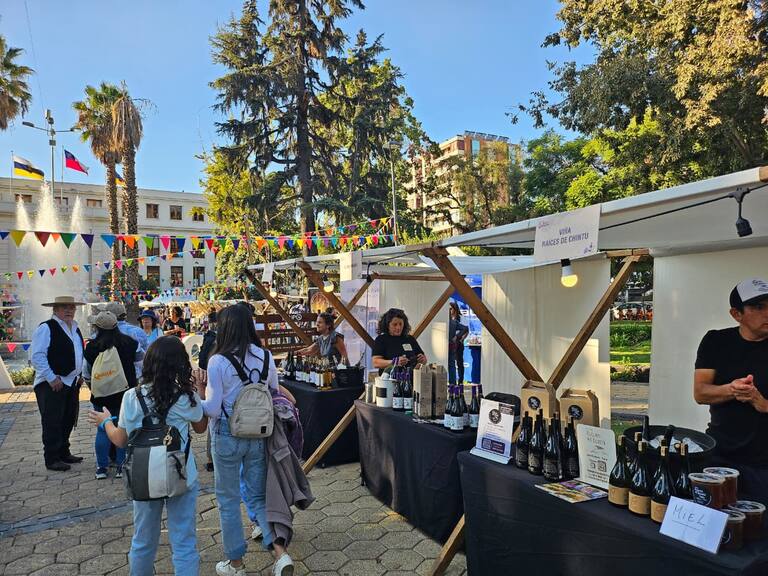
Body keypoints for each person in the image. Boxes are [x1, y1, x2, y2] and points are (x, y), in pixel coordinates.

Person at [88, 336, 208, 575]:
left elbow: (120, 440)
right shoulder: (186, 396)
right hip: (181, 474)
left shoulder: (132, 396)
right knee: (184, 541)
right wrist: (201, 390)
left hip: (143, 475)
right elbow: (201, 427)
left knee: (143, 539)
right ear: (181, 364)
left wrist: (106, 422)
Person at [199, 304, 294, 576]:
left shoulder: (217, 361)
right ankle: (280, 554)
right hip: (259, 434)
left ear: (225, 328)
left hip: (226, 435)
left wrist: (198, 392)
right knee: (259, 497)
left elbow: (212, 409)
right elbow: (273, 390)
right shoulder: (265, 356)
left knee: (228, 501)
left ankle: (236, 564)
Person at [694, 278, 768, 500]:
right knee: (713, 513)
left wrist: (762, 403)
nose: (767, 313)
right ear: (736, 314)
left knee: (758, 519)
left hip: (763, 464)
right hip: (719, 454)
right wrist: (732, 389)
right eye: (759, 307)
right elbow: (700, 392)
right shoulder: (716, 341)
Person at [83, 310, 142, 480]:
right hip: (126, 393)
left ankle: (101, 468)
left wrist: (93, 387)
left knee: (102, 429)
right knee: (124, 427)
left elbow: (86, 372)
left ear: (97, 327)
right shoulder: (130, 343)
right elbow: (141, 364)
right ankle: (121, 465)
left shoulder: (91, 347)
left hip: (101, 396)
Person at [30, 295, 86, 472]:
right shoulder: (46, 328)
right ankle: (52, 458)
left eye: (71, 307)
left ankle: (63, 451)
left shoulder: (75, 328)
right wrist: (51, 378)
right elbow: (37, 356)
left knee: (68, 418)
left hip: (71, 382)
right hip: (51, 382)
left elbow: (78, 353)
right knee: (52, 421)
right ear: (55, 310)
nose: (69, 310)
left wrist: (80, 374)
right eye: (64, 307)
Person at [372, 308, 427, 373]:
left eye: (400, 324)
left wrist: (423, 360)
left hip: (411, 377)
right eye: (394, 324)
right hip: (389, 378)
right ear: (387, 325)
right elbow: (376, 362)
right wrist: (394, 362)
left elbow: (424, 360)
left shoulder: (410, 339)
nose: (398, 327)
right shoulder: (381, 340)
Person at [198, 309, 217, 473]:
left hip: (209, 382)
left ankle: (211, 458)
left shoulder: (209, 337)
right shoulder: (219, 340)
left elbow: (202, 361)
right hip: (213, 382)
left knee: (213, 419)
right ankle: (211, 457)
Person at [448, 302, 469, 385]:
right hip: (450, 343)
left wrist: (460, 338)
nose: (450, 310)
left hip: (458, 342)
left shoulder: (462, 318)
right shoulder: (449, 319)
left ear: (455, 309)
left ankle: (460, 381)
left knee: (459, 362)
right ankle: (452, 382)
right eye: (449, 309)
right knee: (451, 363)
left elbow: (466, 330)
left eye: (451, 308)